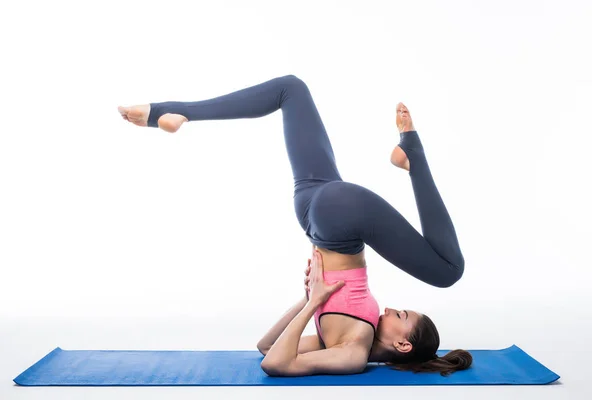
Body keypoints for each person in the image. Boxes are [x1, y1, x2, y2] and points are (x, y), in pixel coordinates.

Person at [118, 74, 472, 377]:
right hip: (315, 211)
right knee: (291, 89)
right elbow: (271, 350)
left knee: (449, 271)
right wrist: (312, 300)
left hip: (337, 213)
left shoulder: (352, 353)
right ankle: (171, 112)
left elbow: (270, 356)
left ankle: (413, 154)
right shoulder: (345, 337)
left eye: (402, 315)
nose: (393, 308)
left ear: (402, 343)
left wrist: (310, 300)